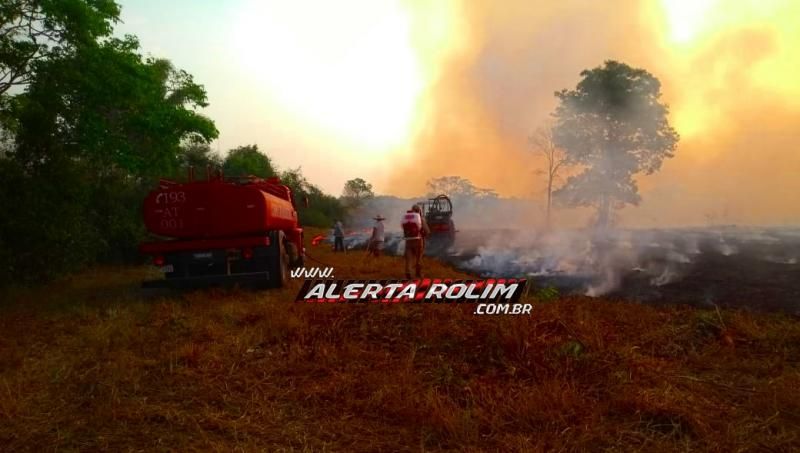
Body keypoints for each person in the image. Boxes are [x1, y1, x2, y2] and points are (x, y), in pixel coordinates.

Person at [401, 204, 430, 279]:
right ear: (419, 211)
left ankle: (408, 272)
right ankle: (418, 273)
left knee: (409, 258)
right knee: (418, 258)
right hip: (418, 241)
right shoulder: (421, 219)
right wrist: (424, 235)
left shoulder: (407, 218)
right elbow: (427, 231)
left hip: (408, 241)